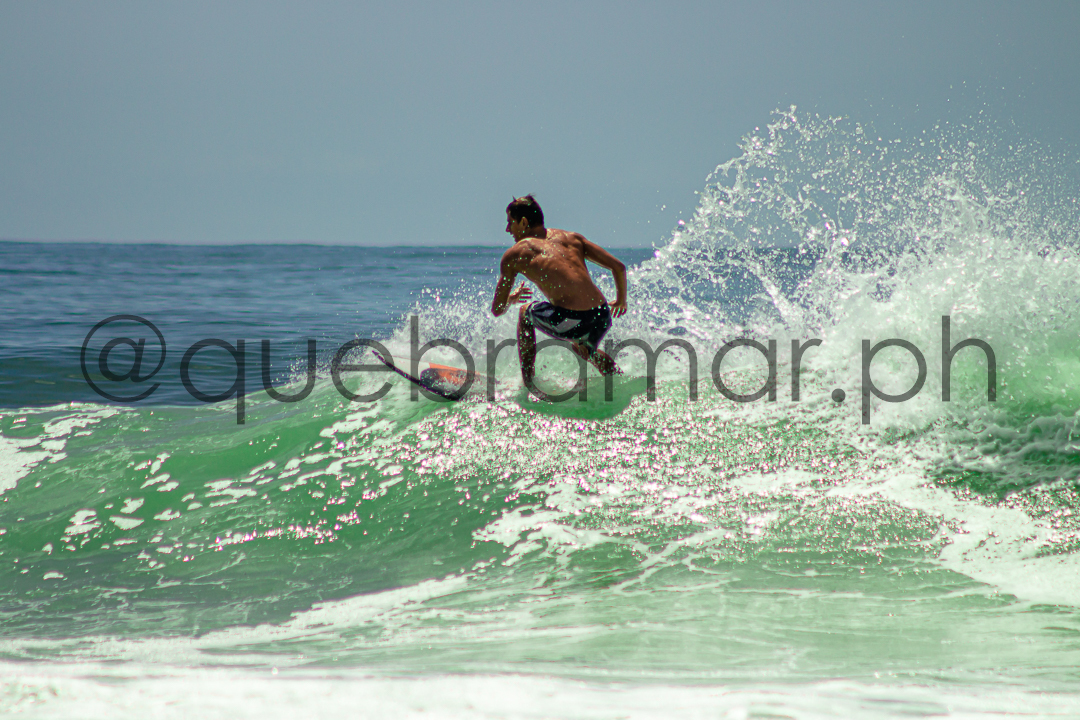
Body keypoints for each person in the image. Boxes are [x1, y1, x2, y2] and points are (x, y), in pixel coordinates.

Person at [491, 195, 628, 395]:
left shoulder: (515, 254)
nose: (507, 229)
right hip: (602, 316)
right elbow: (619, 267)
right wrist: (621, 301)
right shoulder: (572, 238)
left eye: (510, 222)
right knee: (583, 348)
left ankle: (528, 385)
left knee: (525, 312)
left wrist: (511, 299)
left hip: (575, 320)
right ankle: (620, 381)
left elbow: (497, 309)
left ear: (524, 222)